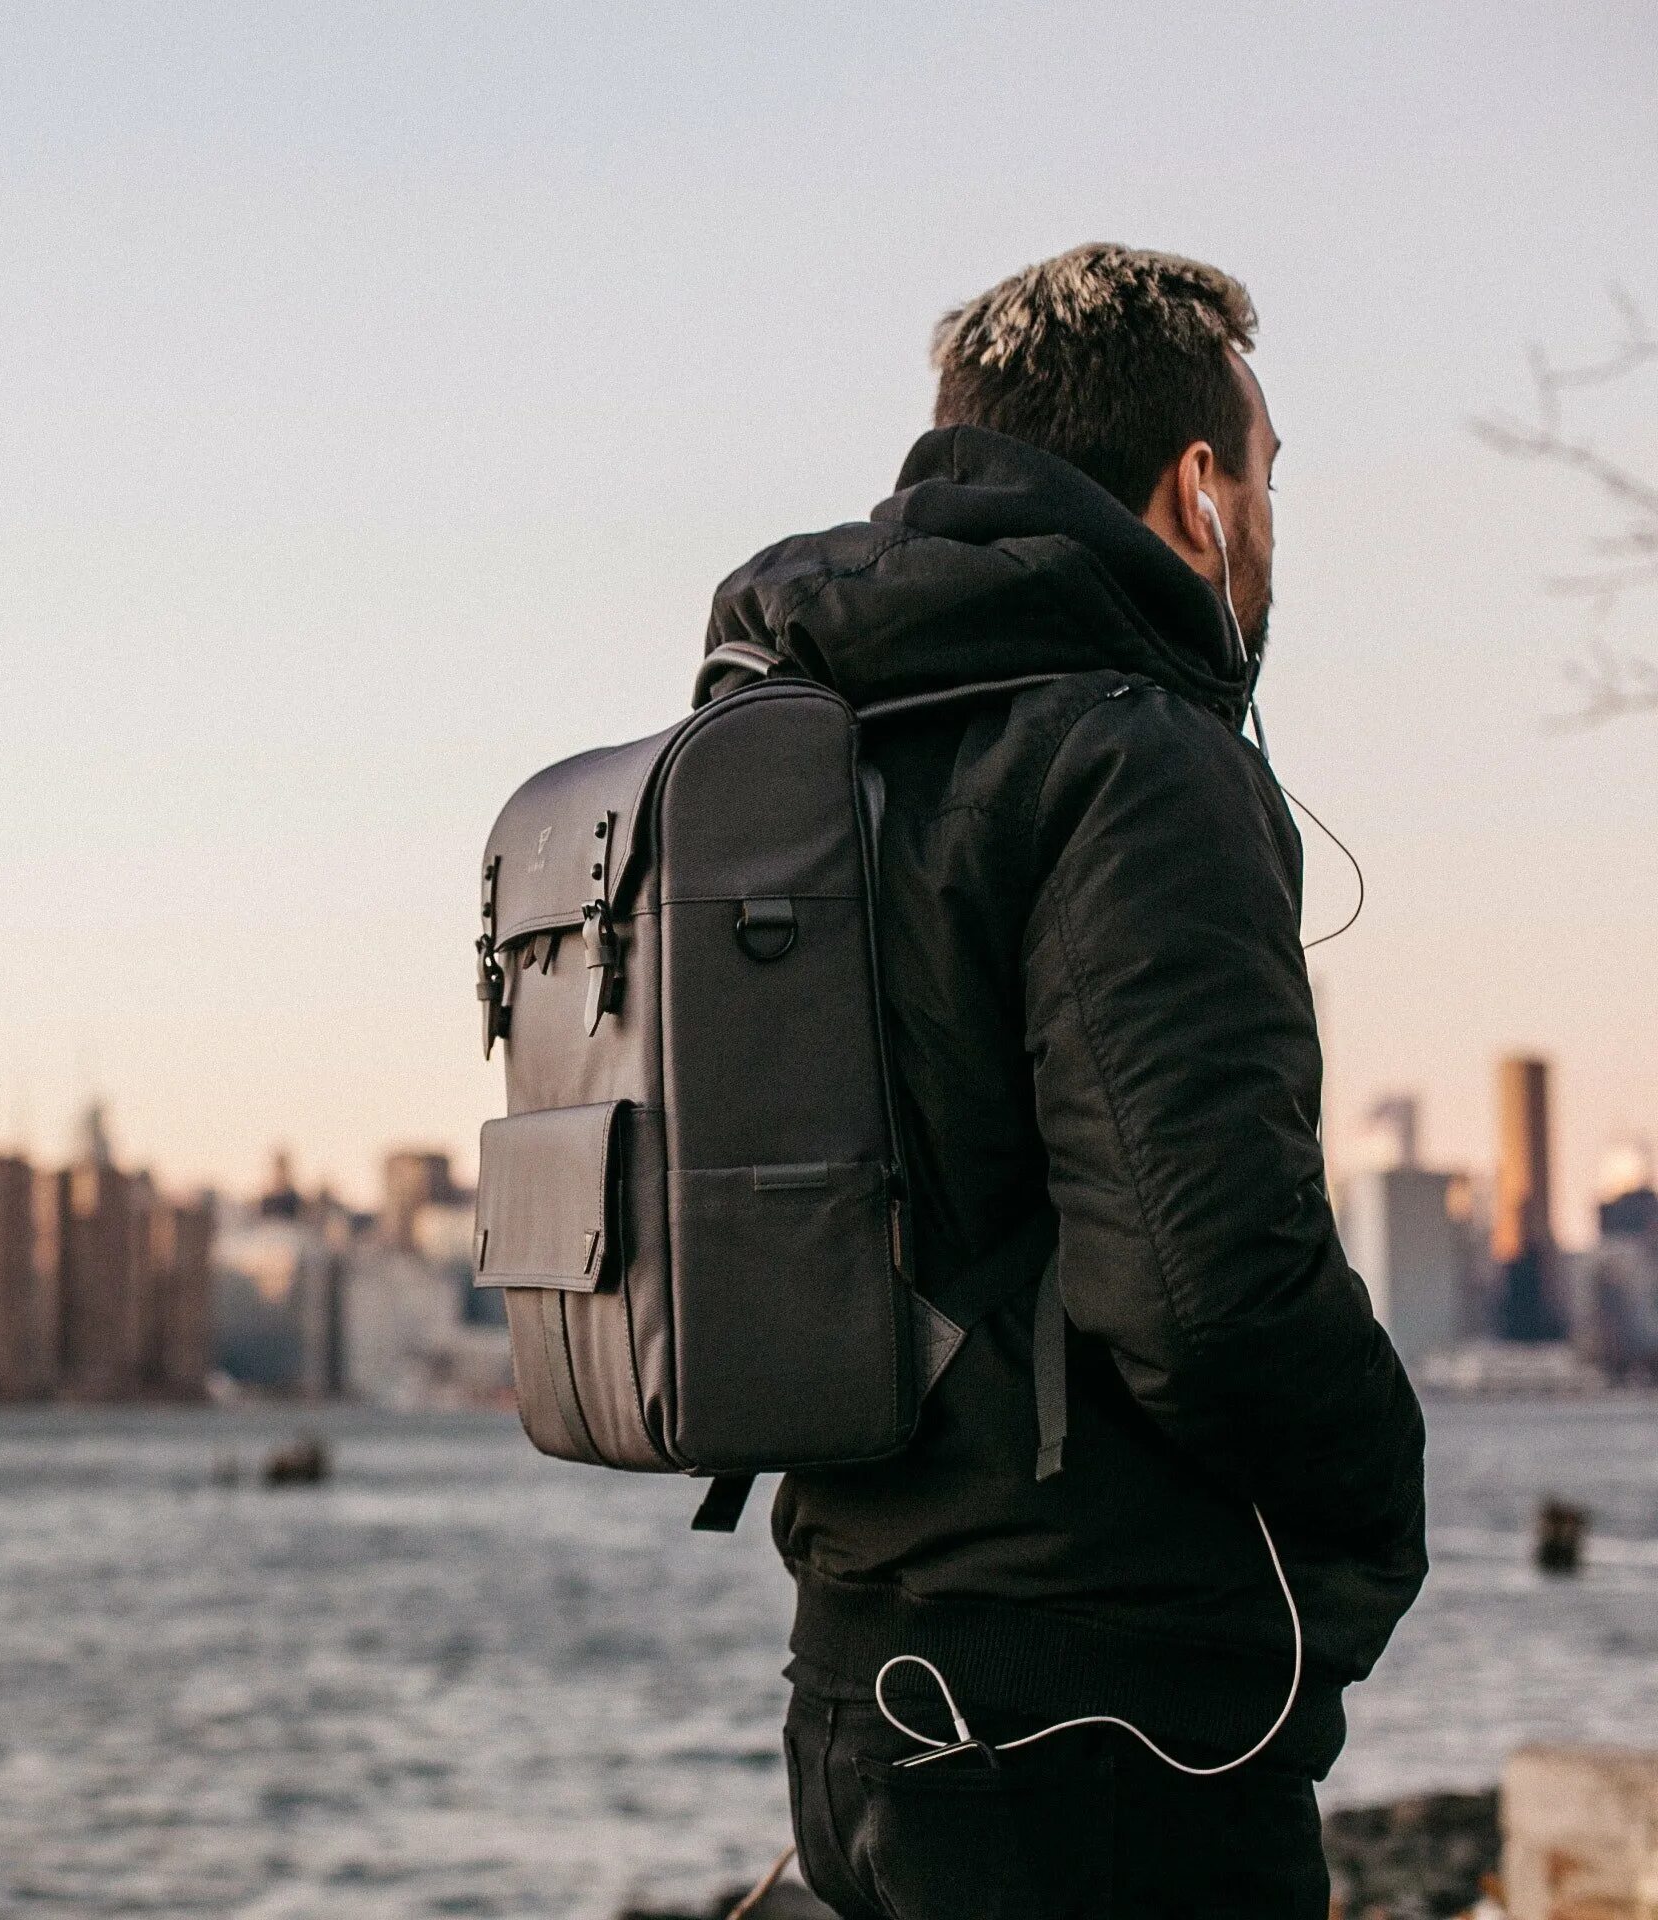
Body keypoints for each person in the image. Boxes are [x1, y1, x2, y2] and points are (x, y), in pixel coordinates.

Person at [704, 244, 1429, 1916]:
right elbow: (1202, 1285)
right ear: (1199, 491)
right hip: (1104, 1724)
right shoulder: (1136, 754)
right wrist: (1378, 1508)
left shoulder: (823, 745)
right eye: (1267, 482)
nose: (1267, 532)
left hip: (856, 1686)